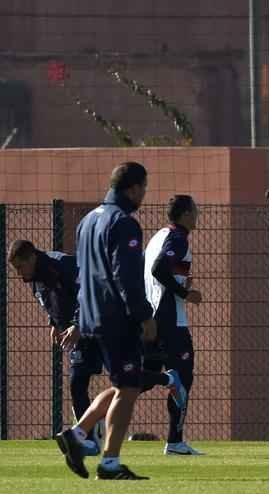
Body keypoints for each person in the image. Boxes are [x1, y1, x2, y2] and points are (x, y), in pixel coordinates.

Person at [54, 162, 182, 480]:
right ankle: (109, 462)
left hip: (90, 318)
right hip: (116, 319)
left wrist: (81, 317)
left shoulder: (87, 221)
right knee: (128, 386)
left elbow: (84, 276)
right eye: (144, 189)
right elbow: (126, 275)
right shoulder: (123, 223)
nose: (144, 195)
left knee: (126, 382)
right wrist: (143, 316)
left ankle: (79, 432)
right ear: (133, 188)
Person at [9, 239, 105, 455]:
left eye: (20, 267)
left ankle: (167, 379)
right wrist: (54, 323)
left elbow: (89, 291)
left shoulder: (62, 264)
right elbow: (54, 301)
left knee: (126, 379)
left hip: (100, 325)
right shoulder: (34, 277)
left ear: (32, 257)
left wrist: (77, 323)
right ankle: (87, 439)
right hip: (77, 333)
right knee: (77, 383)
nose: (18, 273)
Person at [143, 194, 204, 455]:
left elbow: (153, 273)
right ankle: (175, 441)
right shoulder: (177, 238)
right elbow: (159, 270)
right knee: (183, 377)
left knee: (138, 381)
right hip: (169, 322)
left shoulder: (158, 235)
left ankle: (93, 424)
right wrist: (185, 294)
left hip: (152, 318)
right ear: (185, 214)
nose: (198, 215)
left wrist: (181, 284)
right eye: (195, 210)